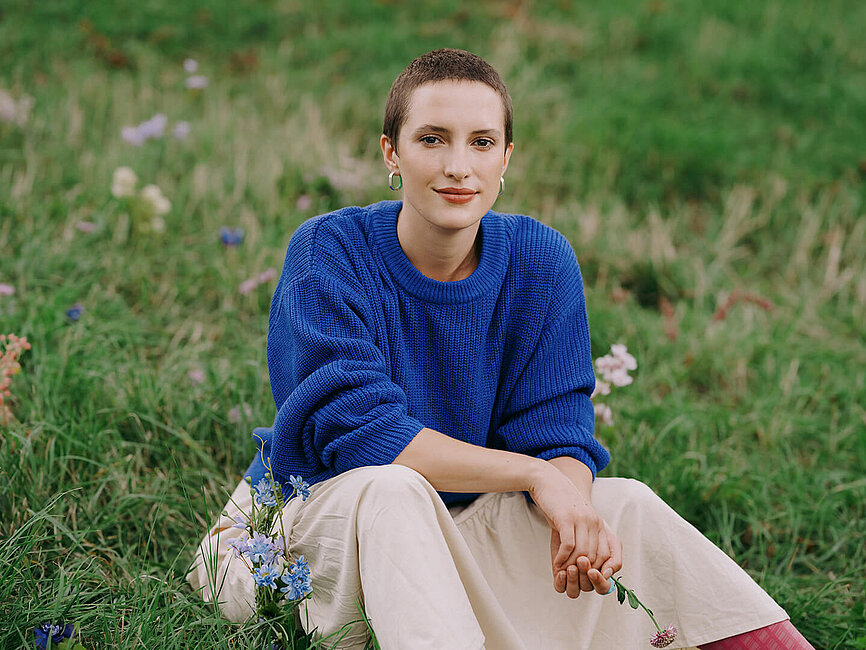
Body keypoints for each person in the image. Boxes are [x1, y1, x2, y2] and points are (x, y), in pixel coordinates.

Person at [188, 48, 814, 650]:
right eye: (432, 139)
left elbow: (559, 435)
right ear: (392, 152)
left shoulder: (540, 261)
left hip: (459, 530)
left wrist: (569, 503)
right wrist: (535, 475)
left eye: (481, 143)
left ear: (506, 158)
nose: (458, 166)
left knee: (626, 504)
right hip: (297, 537)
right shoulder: (333, 250)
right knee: (396, 490)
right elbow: (365, 440)